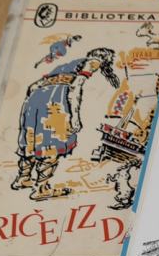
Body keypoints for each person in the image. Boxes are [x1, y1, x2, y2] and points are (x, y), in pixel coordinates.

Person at [12, 47, 119, 201]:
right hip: (53, 105)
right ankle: (41, 189)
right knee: (51, 143)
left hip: (34, 102)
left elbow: (32, 87)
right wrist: (75, 117)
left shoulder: (66, 65)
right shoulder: (94, 62)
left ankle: (22, 179)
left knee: (32, 141)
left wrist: (37, 101)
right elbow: (76, 87)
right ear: (105, 58)